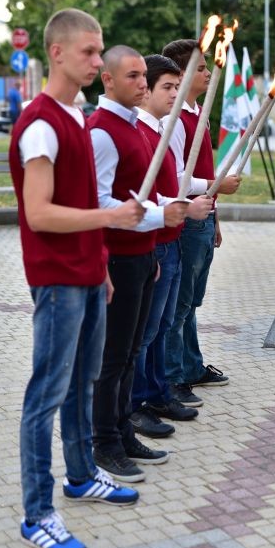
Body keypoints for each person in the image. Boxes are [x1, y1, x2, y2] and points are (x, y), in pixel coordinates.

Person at [9, 9, 143, 548]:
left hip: (87, 275)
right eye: (88, 52)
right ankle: (37, 514)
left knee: (82, 384)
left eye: (99, 49)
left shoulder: (75, 114)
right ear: (56, 53)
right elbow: (39, 213)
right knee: (46, 393)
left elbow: (83, 196)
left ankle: (83, 475)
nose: (96, 60)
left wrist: (101, 264)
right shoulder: (41, 123)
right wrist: (110, 221)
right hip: (57, 280)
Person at [89, 45, 188, 483]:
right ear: (108, 80)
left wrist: (164, 217)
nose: (141, 84)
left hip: (142, 256)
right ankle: (104, 443)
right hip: (118, 259)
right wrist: (157, 216)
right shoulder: (101, 131)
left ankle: (123, 430)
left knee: (130, 353)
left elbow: (139, 194)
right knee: (112, 357)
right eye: (132, 76)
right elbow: (99, 202)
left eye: (143, 77)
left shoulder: (132, 127)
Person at [130, 55, 213, 438]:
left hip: (169, 239)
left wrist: (183, 206)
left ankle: (157, 392)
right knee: (146, 333)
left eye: (177, 87)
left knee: (162, 326)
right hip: (155, 243)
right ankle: (136, 404)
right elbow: (140, 198)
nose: (175, 94)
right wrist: (181, 206)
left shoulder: (160, 130)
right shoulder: (142, 133)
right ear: (146, 90)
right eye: (168, 87)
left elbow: (166, 188)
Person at [162, 39, 241, 407]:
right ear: (181, 75)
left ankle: (191, 366)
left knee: (191, 301)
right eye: (202, 68)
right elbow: (178, 177)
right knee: (179, 304)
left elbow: (202, 168)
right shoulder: (174, 119)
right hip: (186, 219)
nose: (209, 73)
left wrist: (215, 216)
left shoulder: (199, 114)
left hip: (203, 218)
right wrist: (216, 185)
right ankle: (173, 377)